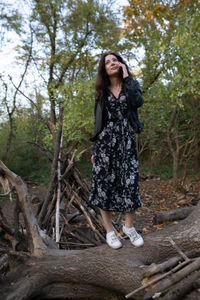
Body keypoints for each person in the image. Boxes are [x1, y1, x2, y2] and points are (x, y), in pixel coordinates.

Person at [88, 52, 144, 249]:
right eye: (107, 62)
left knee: (130, 182)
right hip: (105, 143)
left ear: (121, 64)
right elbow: (98, 123)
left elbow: (137, 102)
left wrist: (127, 75)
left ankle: (129, 228)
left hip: (126, 140)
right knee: (103, 185)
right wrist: (95, 149)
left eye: (115, 60)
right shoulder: (101, 92)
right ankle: (110, 232)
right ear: (103, 69)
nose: (112, 63)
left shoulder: (131, 85)